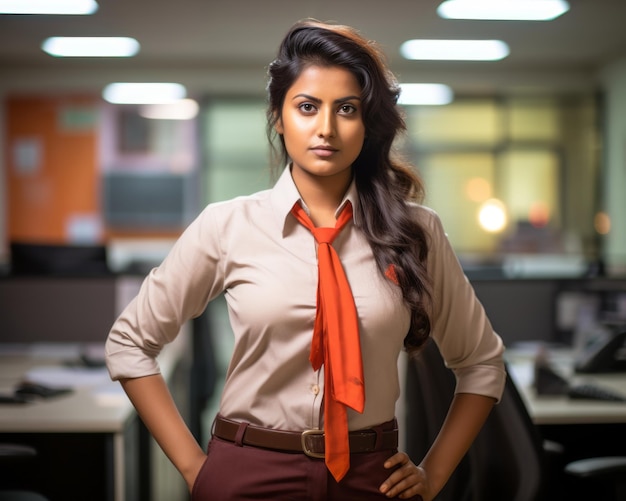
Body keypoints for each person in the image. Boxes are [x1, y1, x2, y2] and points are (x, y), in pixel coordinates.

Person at [105, 19, 506, 501]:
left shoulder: (416, 231)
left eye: (347, 109)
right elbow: (129, 343)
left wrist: (434, 473)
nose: (326, 128)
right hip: (248, 471)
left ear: (366, 122)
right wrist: (197, 470)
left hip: (371, 477)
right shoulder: (227, 225)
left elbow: (482, 363)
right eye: (307, 107)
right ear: (279, 116)